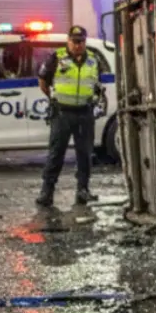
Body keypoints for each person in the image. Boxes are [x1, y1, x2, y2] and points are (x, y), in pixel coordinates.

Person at [36, 25, 102, 207]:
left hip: (84, 113)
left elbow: (97, 84)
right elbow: (42, 81)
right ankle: (47, 192)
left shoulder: (93, 60)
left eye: (81, 41)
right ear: (68, 41)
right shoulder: (56, 58)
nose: (78, 45)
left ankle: (83, 190)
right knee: (56, 154)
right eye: (74, 41)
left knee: (85, 154)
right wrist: (54, 98)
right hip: (62, 113)